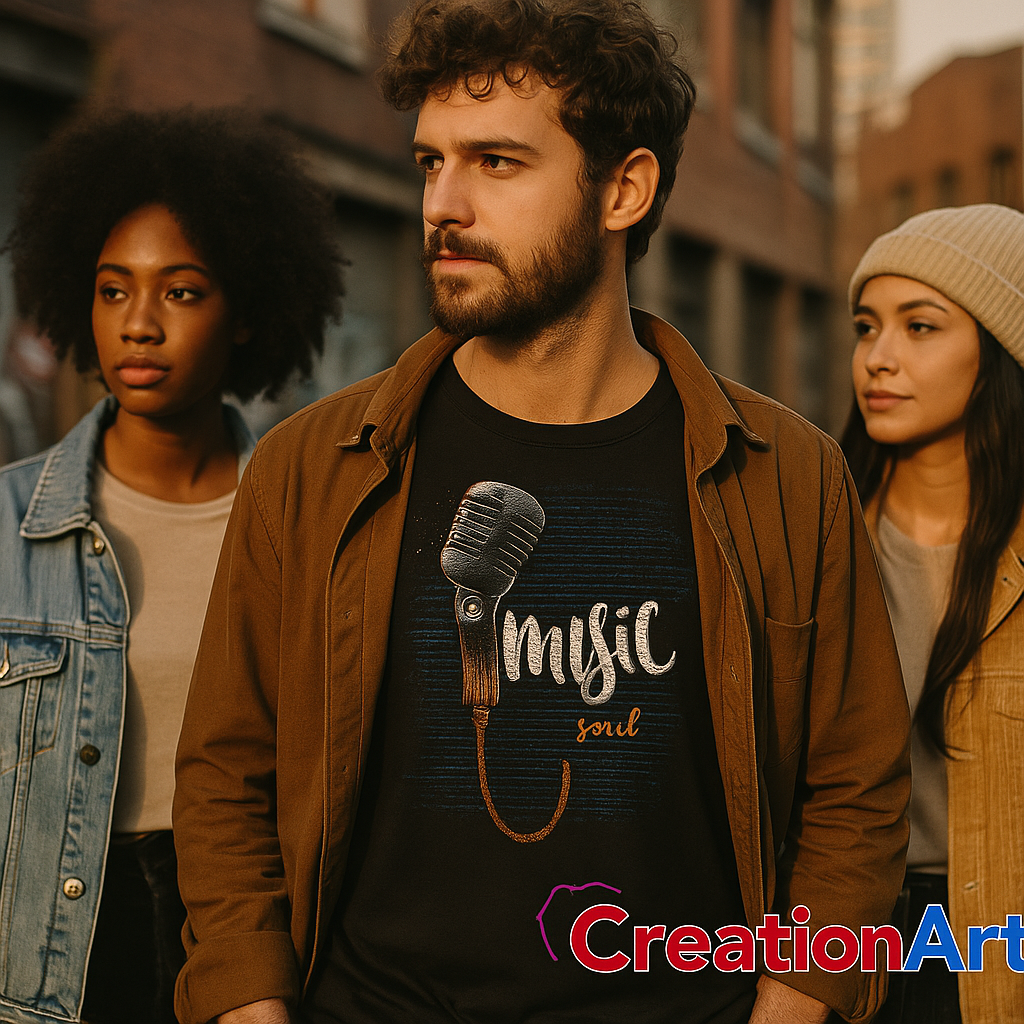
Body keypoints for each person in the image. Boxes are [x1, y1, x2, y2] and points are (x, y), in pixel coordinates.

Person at [172, 3, 911, 1023]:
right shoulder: (312, 469)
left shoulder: (786, 475)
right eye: (432, 161)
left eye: (498, 163)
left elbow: (855, 789)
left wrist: (790, 1007)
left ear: (623, 188)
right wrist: (250, 1007)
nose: (443, 202)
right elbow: (225, 774)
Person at [0, 108, 343, 1024]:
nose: (139, 325)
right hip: (54, 949)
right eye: (113, 291)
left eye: (181, 292)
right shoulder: (5, 525)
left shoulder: (306, 526)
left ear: (249, 313)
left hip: (250, 935)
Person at [842, 203, 1024, 1024]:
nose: (877, 359)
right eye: (865, 327)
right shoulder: (817, 542)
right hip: (849, 948)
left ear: (1001, 350)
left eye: (920, 327)